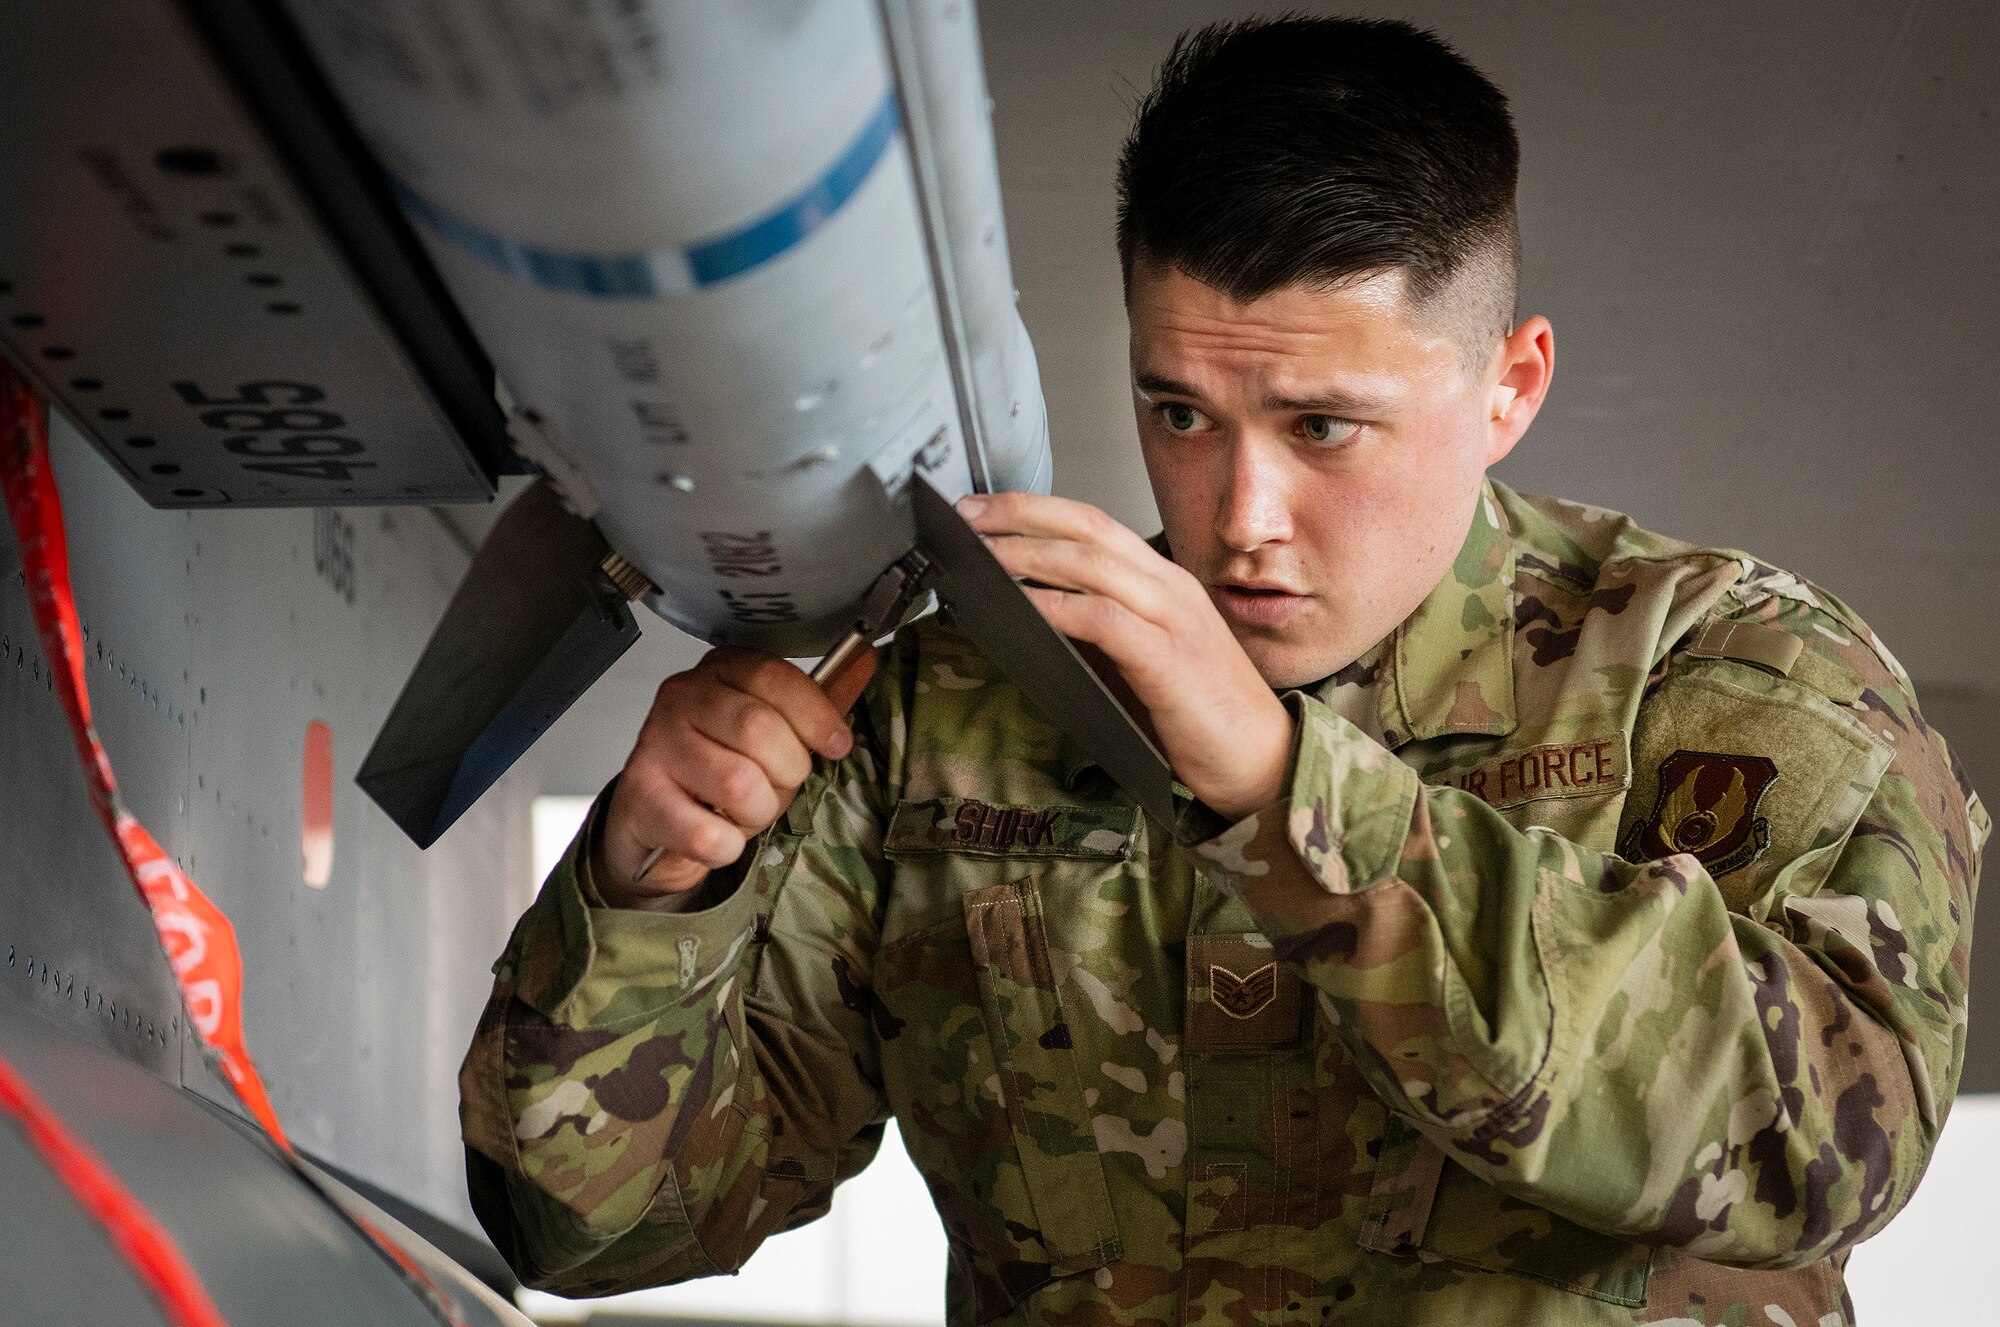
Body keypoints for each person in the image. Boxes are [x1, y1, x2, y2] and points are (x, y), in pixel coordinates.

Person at [458, 17, 1986, 1325]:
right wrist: (650, 899)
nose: (1240, 521)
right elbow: (599, 1228)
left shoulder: (1732, 670)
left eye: (1324, 428)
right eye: (1180, 414)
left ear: (1508, 387)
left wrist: (1278, 788)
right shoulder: (961, 711)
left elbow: (1815, 1142)